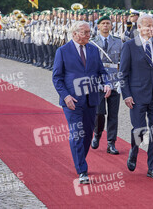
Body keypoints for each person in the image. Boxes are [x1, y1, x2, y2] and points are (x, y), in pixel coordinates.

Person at [52, 21, 111, 184]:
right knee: (77, 133)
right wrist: (65, 96)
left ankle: (80, 160)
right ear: (74, 33)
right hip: (72, 100)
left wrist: (107, 83)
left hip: (91, 99)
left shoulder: (93, 50)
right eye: (84, 32)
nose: (88, 35)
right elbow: (56, 77)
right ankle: (82, 170)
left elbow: (102, 71)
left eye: (89, 32)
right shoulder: (62, 51)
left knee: (88, 134)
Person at [120, 14, 153, 179]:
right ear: (139, 28)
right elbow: (123, 74)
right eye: (147, 26)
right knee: (139, 129)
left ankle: (152, 168)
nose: (151, 29)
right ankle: (134, 150)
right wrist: (126, 95)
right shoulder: (129, 46)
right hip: (136, 96)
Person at [91, 15, 123, 155]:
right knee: (99, 113)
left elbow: (122, 62)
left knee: (113, 114)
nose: (105, 26)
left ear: (111, 26)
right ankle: (97, 134)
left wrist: (121, 80)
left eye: (108, 23)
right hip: (99, 82)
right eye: (103, 23)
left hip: (114, 80)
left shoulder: (118, 42)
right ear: (98, 26)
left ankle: (111, 143)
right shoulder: (92, 43)